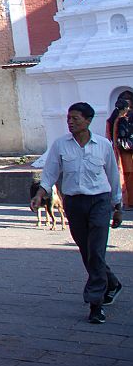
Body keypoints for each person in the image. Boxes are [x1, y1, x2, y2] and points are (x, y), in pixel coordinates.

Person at [32, 102, 123, 324]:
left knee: (97, 250)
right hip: (74, 203)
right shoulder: (61, 145)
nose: (70, 122)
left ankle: (96, 303)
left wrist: (117, 207)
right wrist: (40, 194)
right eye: (68, 119)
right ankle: (111, 282)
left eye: (75, 118)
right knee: (87, 250)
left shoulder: (102, 145)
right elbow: (50, 172)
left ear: (88, 120)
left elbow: (113, 176)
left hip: (100, 202)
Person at [106, 92, 133, 210]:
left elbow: (110, 135)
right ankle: (128, 201)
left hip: (118, 151)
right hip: (126, 152)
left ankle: (123, 201)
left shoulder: (113, 118)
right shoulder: (124, 118)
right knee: (128, 176)